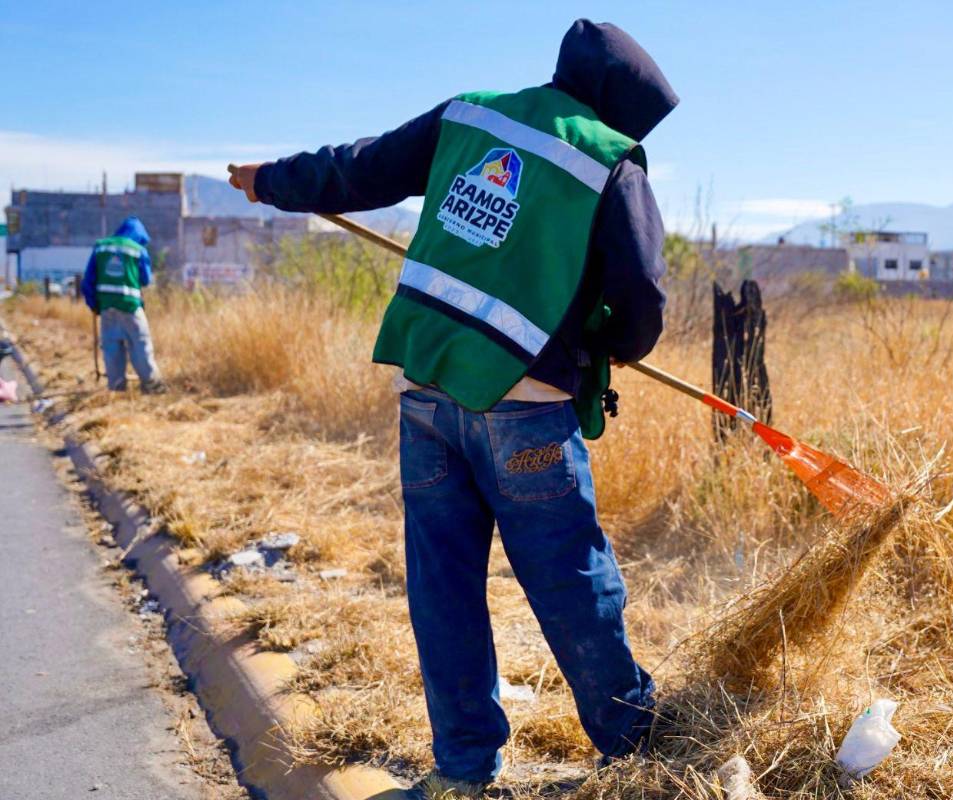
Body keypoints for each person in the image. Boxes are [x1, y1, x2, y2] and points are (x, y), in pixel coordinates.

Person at [229, 18, 676, 796]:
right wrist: (602, 342)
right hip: (526, 406)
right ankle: (636, 748)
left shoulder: (470, 115)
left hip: (426, 391)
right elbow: (640, 303)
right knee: (572, 577)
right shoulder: (610, 160)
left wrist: (270, 179)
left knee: (444, 586)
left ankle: (463, 772)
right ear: (617, 107)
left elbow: (356, 170)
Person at [81, 216, 165, 393]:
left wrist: (94, 304)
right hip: (131, 306)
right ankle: (151, 385)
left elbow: (88, 281)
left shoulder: (101, 247)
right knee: (140, 344)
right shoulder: (137, 250)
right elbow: (146, 279)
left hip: (107, 307)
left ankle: (117, 387)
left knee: (111, 346)